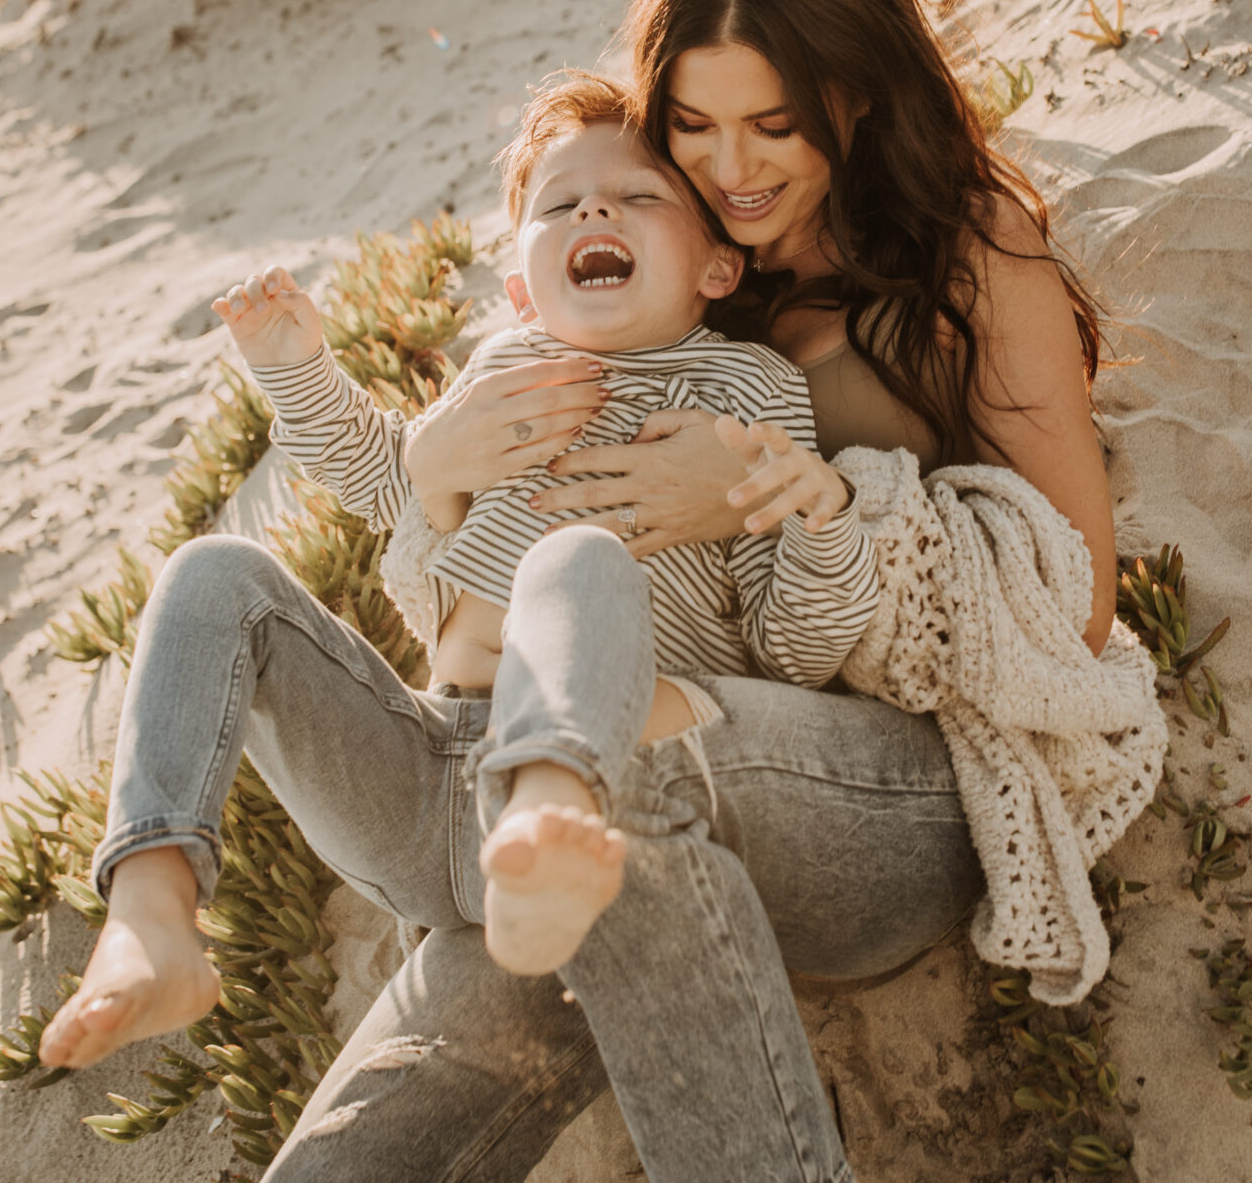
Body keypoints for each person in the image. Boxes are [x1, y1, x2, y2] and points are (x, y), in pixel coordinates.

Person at [39, 0, 1116, 1183]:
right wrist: (434, 476)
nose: (732, 168)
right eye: (692, 129)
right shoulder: (610, 285)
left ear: (860, 98)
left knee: (633, 721)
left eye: (769, 126)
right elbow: (456, 591)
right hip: (566, 797)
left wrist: (797, 499)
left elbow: (1062, 604)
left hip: (833, 784)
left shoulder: (954, 271)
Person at [214, 67, 878, 973]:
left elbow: (791, 643)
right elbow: (388, 485)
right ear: (523, 285)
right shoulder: (502, 369)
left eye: (636, 196)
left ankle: (549, 838)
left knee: (576, 566)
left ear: (718, 265)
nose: (592, 215)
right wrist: (296, 368)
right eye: (558, 207)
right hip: (449, 738)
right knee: (218, 580)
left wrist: (819, 522)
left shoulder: (745, 387)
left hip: (625, 732)